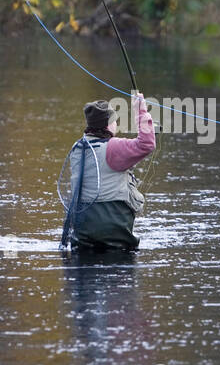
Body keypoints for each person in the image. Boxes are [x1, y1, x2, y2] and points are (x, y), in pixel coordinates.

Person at [60, 92, 155, 252]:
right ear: (108, 124)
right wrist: (141, 110)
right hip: (113, 235)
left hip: (82, 236)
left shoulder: (77, 148)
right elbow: (147, 144)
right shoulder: (114, 147)